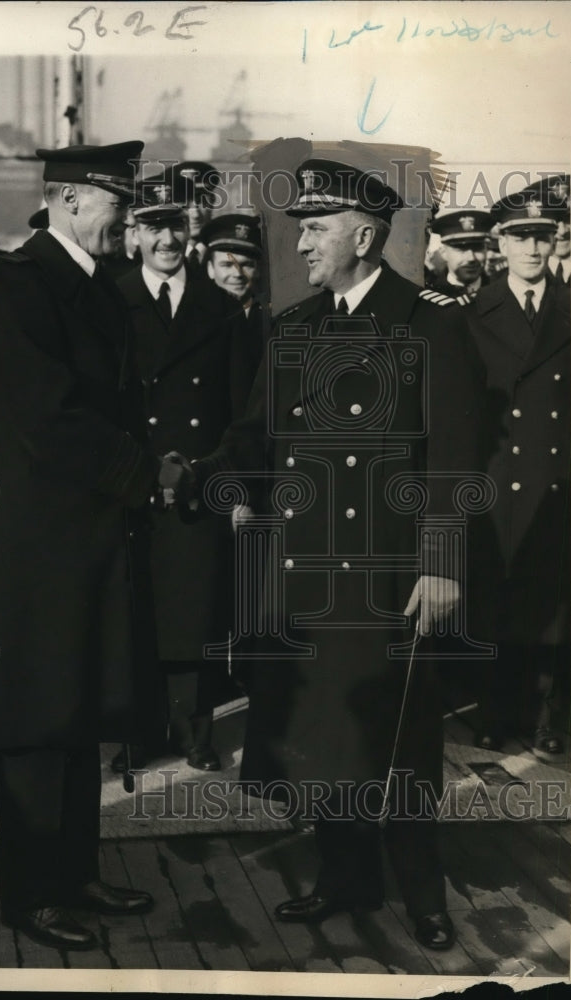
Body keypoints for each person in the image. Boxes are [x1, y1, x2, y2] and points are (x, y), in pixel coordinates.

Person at [170, 158, 486, 951]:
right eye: (302, 227)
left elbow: (453, 455)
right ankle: (344, 878)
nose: (302, 243)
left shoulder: (429, 322)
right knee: (326, 740)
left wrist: (441, 560)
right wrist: (202, 474)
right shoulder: (296, 326)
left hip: (391, 574)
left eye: (315, 228)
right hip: (308, 572)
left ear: (365, 236)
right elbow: (255, 436)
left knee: (402, 740)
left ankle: (423, 895)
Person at [0, 143, 174, 952]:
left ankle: (75, 871)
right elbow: (49, 419)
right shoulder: (21, 284)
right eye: (115, 204)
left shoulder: (87, 285)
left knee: (80, 707)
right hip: (41, 545)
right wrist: (143, 474)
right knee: (37, 715)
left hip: (85, 535)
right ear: (67, 201)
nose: (126, 220)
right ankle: (32, 895)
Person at [114, 180, 260, 772]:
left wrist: (213, 476)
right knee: (134, 610)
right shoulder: (109, 301)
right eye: (153, 225)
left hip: (199, 484)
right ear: (134, 235)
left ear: (190, 230)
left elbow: (244, 414)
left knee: (197, 610)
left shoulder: (221, 309)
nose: (167, 238)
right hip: (131, 483)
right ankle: (141, 731)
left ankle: (196, 733)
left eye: (175, 224)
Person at [462, 180, 571, 760]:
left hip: (558, 481)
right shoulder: (473, 314)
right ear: (499, 242)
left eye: (543, 236)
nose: (533, 249)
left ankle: (548, 714)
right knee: (496, 602)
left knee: (553, 603)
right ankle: (495, 710)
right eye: (521, 236)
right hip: (500, 480)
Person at [201, 212, 269, 357]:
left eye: (246, 265)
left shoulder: (270, 321)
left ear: (257, 270)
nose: (238, 274)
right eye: (227, 265)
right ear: (210, 269)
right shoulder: (194, 321)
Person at [164, 160, 222, 273]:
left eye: (201, 201)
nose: (195, 215)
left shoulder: (226, 253)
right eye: (185, 205)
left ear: (213, 202)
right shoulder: (157, 258)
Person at [430, 208, 493, 300]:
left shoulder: (502, 292)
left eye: (477, 248)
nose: (471, 258)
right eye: (461, 249)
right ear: (443, 253)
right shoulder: (431, 294)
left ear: (486, 249)